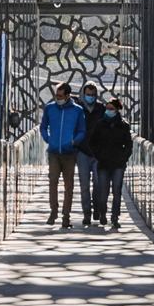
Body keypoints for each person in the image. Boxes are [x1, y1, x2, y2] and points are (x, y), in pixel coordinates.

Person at [39, 82, 86, 229]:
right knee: (53, 181)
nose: (57, 98)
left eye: (60, 95)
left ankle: (66, 216)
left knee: (69, 186)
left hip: (69, 153)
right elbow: (43, 126)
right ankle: (54, 211)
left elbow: (81, 130)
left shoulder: (77, 111)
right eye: (56, 95)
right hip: (53, 152)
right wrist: (48, 139)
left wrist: (74, 141)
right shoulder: (50, 108)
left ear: (67, 95)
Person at [89, 96, 133, 230]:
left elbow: (129, 145)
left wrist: (123, 158)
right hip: (103, 163)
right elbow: (93, 142)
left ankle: (115, 217)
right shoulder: (100, 124)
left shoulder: (123, 125)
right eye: (107, 108)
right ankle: (103, 213)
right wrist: (98, 156)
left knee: (117, 191)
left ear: (117, 109)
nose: (108, 110)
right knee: (103, 191)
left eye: (111, 108)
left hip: (118, 164)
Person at [73, 81, 105, 227]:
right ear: (83, 94)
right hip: (82, 152)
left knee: (99, 184)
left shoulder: (101, 109)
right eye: (88, 94)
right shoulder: (78, 109)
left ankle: (97, 209)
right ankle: (87, 213)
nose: (90, 97)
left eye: (93, 95)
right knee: (84, 185)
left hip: (98, 153)